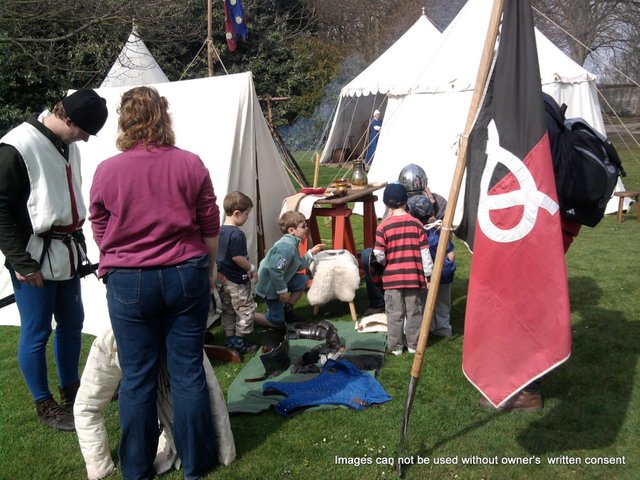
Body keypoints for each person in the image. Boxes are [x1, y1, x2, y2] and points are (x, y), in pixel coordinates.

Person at [89, 86, 220, 480]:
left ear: (125, 120)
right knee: (187, 371)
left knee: (137, 377)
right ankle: (197, 464)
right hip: (185, 273)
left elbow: (97, 222)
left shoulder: (107, 170)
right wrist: (210, 268)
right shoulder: (190, 163)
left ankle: (136, 469)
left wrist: (116, 253)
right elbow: (209, 222)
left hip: (130, 281)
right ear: (164, 118)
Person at [0, 88, 108, 431]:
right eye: (85, 132)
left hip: (66, 252)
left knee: (72, 322)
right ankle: (43, 403)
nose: (87, 140)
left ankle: (71, 390)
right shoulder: (17, 145)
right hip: (34, 256)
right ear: (68, 119)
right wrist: (21, 261)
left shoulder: (67, 144)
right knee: (36, 331)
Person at [74, 326, 236, 480]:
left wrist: (225, 451)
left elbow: (211, 391)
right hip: (157, 417)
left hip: (183, 425)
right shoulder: (109, 340)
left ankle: (193, 457)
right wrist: (99, 466)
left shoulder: (181, 328)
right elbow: (86, 406)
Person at [362, 163, 447, 316]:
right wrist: (390, 215)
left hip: (423, 251)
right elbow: (382, 234)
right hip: (398, 252)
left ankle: (426, 301)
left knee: (434, 254)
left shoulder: (438, 202)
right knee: (368, 255)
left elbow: (446, 238)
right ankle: (379, 301)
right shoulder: (396, 203)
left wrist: (431, 213)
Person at [372, 183, 432, 355]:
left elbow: (378, 253)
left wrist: (386, 264)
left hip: (392, 279)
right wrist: (428, 275)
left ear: (386, 204)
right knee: (414, 312)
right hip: (414, 277)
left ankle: (396, 347)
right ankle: (414, 345)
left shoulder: (383, 227)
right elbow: (425, 253)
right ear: (407, 201)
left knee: (394, 313)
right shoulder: (417, 225)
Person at [216, 191, 277, 354]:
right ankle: (239, 341)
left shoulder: (219, 231)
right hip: (236, 281)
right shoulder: (237, 234)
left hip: (223, 280)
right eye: (247, 214)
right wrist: (251, 268)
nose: (248, 218)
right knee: (246, 310)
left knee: (228, 310)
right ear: (237, 213)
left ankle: (230, 339)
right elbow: (237, 257)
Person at [255, 211, 323, 327]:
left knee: (302, 280)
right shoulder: (286, 247)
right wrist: (282, 292)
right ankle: (246, 314)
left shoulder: (292, 243)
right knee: (277, 322)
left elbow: (297, 265)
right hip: (271, 286)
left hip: (280, 280)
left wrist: (310, 254)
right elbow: (275, 270)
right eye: (303, 227)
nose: (306, 228)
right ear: (291, 230)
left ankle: (287, 309)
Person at [407, 195, 456, 337]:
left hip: (426, 275)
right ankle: (443, 328)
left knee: (423, 302)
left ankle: (426, 328)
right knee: (443, 303)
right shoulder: (440, 230)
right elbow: (451, 253)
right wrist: (448, 264)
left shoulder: (417, 233)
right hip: (445, 272)